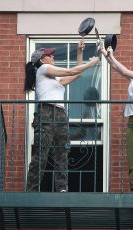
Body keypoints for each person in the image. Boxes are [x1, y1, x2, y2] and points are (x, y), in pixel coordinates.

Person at [24, 40, 99, 192]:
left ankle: (62, 189)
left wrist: (79, 53)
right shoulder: (43, 69)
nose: (53, 57)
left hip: (60, 114)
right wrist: (91, 63)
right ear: (42, 59)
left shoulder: (54, 79)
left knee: (62, 153)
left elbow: (76, 74)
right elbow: (69, 71)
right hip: (46, 112)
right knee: (42, 154)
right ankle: (31, 190)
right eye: (50, 55)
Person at [100, 44, 133, 191]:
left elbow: (125, 70)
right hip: (132, 122)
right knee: (131, 161)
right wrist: (106, 56)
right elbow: (118, 69)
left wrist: (112, 55)